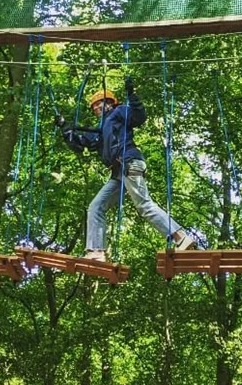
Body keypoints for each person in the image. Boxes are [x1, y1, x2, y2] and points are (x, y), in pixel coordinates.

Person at [57, 77, 196, 262]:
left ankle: (181, 237)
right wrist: (65, 130)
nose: (96, 108)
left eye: (99, 104)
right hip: (118, 173)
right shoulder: (101, 129)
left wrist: (132, 95)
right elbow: (81, 145)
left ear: (109, 103)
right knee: (96, 207)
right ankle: (96, 251)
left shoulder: (119, 112)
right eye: (94, 106)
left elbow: (139, 117)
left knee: (144, 205)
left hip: (128, 162)